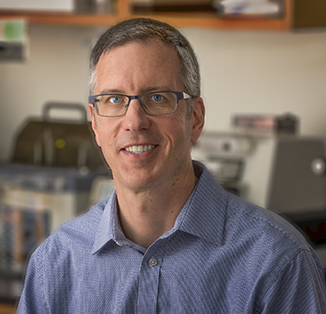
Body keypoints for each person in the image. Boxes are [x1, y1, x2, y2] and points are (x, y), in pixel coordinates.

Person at [17, 18, 326, 313]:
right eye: (113, 100)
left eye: (157, 98)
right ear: (94, 122)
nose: (134, 121)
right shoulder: (55, 265)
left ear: (195, 118)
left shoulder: (277, 262)